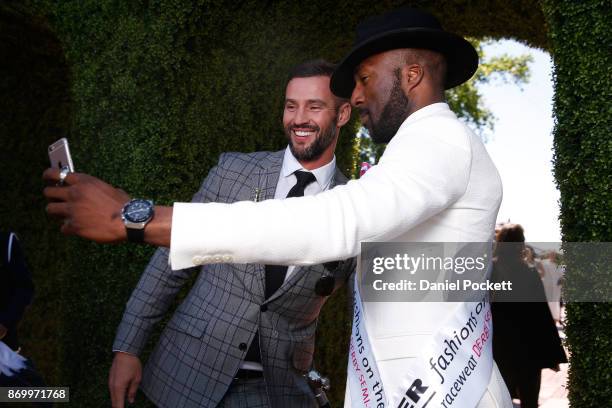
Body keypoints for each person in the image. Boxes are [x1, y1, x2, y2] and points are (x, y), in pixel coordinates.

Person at [43, 8, 512, 407]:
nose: (359, 95)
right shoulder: (421, 152)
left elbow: (337, 221)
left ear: (412, 75)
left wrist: (140, 217)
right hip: (198, 378)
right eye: (291, 105)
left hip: (439, 384)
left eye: (366, 79)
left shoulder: (438, 139)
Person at [107, 59, 354, 408]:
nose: (299, 118)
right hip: (184, 372)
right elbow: (170, 261)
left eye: (314, 107)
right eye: (290, 106)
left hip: (275, 392)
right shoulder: (234, 171)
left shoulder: (355, 205)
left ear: (342, 115)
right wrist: (128, 347)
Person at [490, 225, 567, 408]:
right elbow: (541, 315)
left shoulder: (490, 272)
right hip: (528, 350)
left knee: (500, 399)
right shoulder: (528, 273)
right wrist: (552, 355)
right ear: (521, 245)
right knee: (530, 401)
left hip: (499, 348)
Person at [0, 232, 48, 394]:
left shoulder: (6, 242)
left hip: (3, 348)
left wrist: (5, 322)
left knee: (39, 394)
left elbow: (25, 288)